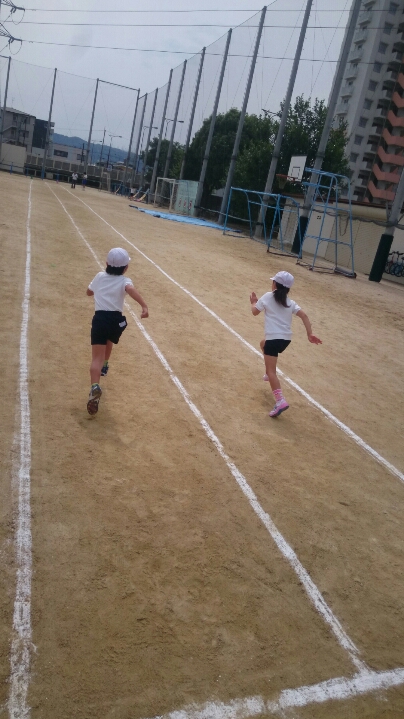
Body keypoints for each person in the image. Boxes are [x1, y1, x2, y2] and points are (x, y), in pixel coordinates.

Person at [86, 247, 149, 416]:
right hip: (115, 320)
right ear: (126, 267)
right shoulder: (125, 281)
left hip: (100, 319)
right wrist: (144, 306)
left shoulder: (99, 277)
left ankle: (95, 386)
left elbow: (89, 292)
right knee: (110, 339)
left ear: (106, 263)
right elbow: (130, 290)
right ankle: (106, 364)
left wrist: (93, 290)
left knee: (96, 358)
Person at [250, 270, 321, 418]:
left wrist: (253, 302)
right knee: (263, 343)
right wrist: (310, 334)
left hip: (274, 339)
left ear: (275, 284)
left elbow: (255, 312)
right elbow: (304, 315)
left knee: (272, 371)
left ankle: (280, 400)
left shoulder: (268, 296)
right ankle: (268, 374)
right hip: (285, 340)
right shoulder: (290, 302)